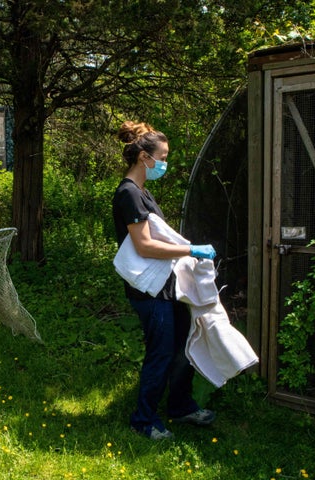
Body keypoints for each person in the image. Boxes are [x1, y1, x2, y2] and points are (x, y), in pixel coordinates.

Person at [112, 120, 217, 440]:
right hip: (148, 291)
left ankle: (180, 406)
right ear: (145, 158)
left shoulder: (144, 191)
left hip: (168, 286)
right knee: (160, 352)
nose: (165, 163)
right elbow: (144, 244)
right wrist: (190, 248)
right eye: (163, 157)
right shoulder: (128, 194)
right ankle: (143, 419)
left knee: (182, 346)